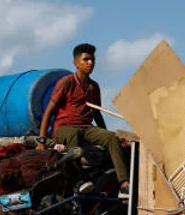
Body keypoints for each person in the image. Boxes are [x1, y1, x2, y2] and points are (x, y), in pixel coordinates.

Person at [37, 43, 129, 196]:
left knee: (112, 137)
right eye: (86, 59)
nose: (90, 63)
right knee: (75, 136)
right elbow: (49, 111)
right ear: (76, 63)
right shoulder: (66, 82)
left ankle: (124, 183)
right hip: (64, 128)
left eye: (92, 59)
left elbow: (97, 113)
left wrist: (104, 134)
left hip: (86, 127)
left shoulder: (94, 87)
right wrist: (41, 140)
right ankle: (80, 180)